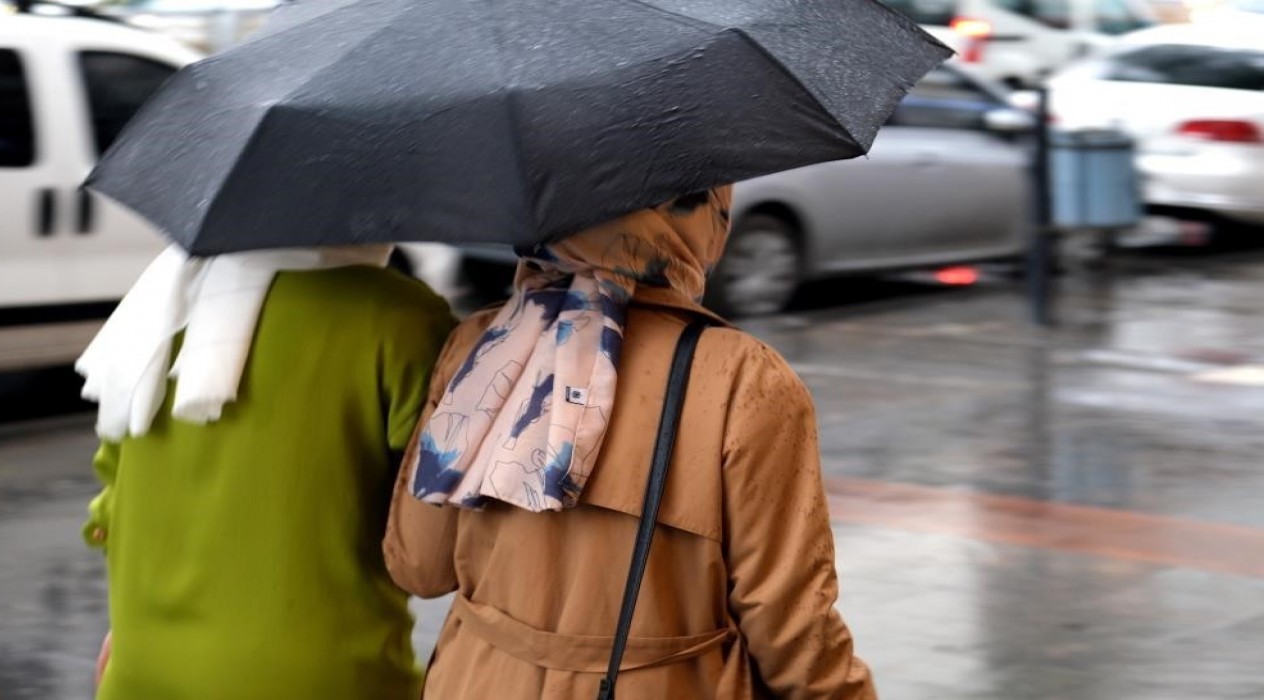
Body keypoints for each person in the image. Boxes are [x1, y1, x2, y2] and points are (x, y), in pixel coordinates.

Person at [384, 188, 876, 699]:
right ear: (702, 211)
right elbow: (790, 625)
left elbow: (418, 566)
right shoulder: (743, 380)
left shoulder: (480, 351)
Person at [78, 244, 455, 699]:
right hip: (332, 680)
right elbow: (434, 545)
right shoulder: (402, 318)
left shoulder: (161, 303)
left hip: (141, 672)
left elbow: (108, 509)